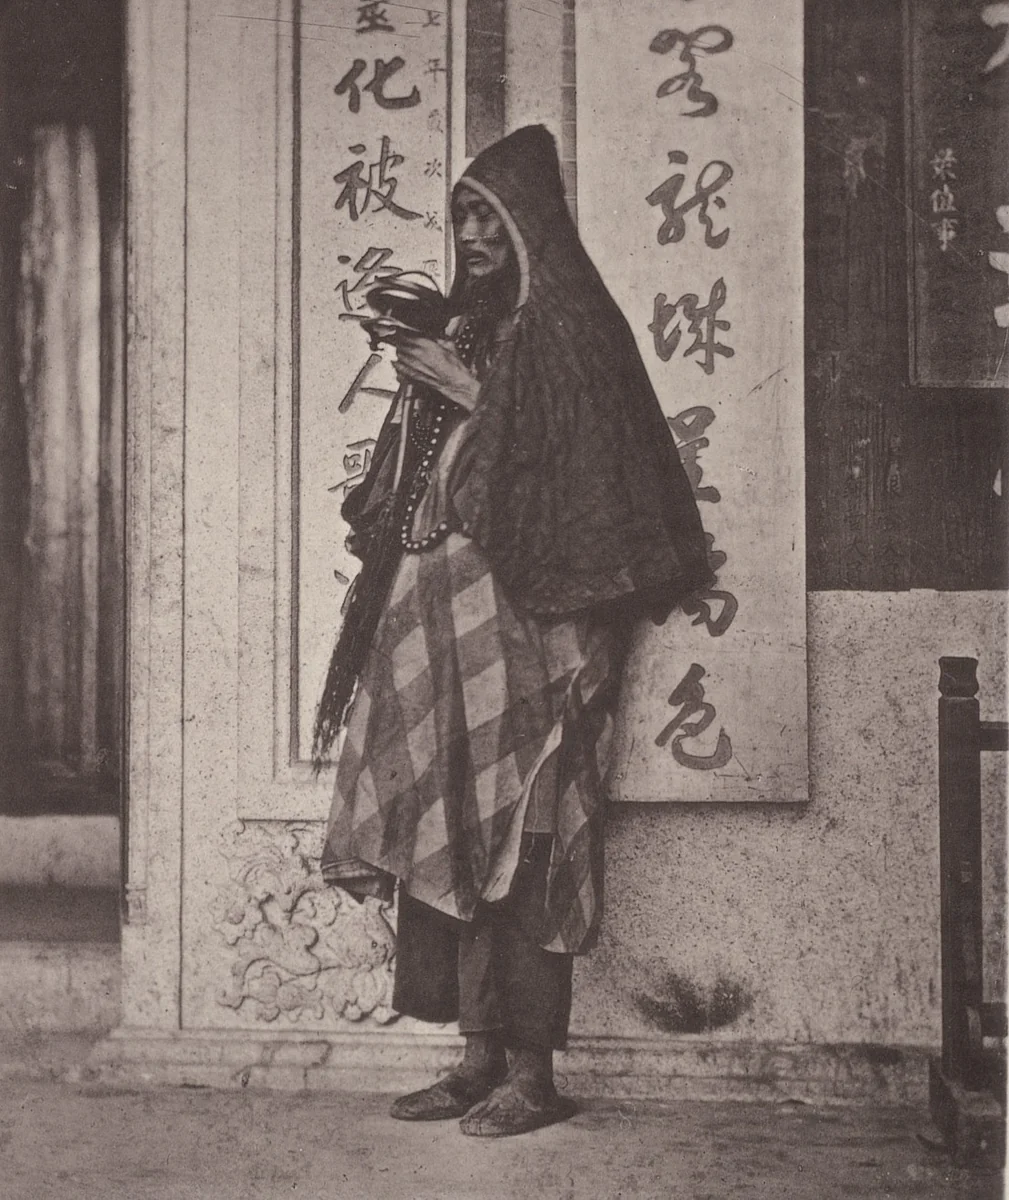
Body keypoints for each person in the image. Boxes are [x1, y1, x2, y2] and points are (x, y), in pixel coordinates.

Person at [315, 125, 711, 1137]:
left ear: (534, 224)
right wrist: (426, 395)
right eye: (461, 215)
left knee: (530, 836)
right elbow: (411, 490)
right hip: (438, 622)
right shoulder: (475, 326)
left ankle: (533, 1072)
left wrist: (470, 397)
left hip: (537, 628)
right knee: (441, 816)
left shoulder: (573, 327)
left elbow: (586, 480)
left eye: (491, 215)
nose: (473, 233)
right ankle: (474, 1057)